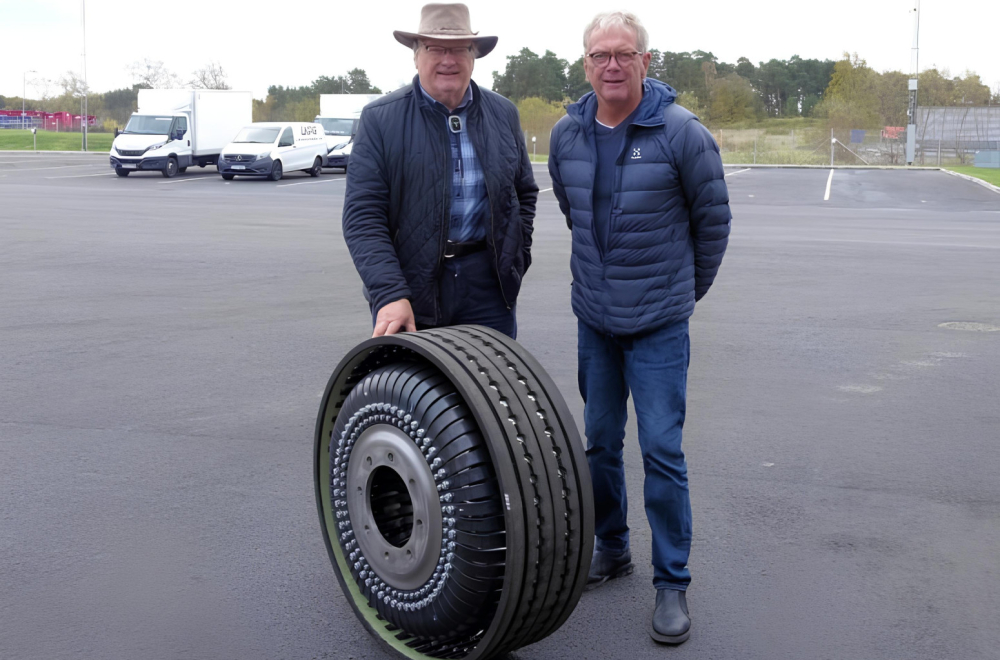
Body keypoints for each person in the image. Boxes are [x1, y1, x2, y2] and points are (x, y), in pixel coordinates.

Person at [548, 10, 731, 645]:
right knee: (598, 443)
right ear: (586, 64)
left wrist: (677, 294)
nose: (612, 66)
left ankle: (672, 582)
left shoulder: (682, 134)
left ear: (646, 61)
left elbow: (712, 226)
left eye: (625, 54)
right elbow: (575, 211)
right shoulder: (565, 134)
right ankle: (612, 546)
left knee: (661, 451)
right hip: (595, 321)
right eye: (600, 56)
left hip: (657, 325)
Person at [342, 2, 537, 339]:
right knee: (414, 390)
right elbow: (363, 218)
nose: (448, 60)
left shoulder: (504, 114)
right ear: (416, 55)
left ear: (474, 55)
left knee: (489, 389)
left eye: (460, 49)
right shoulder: (380, 119)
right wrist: (390, 292)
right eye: (436, 48)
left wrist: (515, 260)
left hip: (489, 291)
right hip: (410, 289)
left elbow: (524, 194)